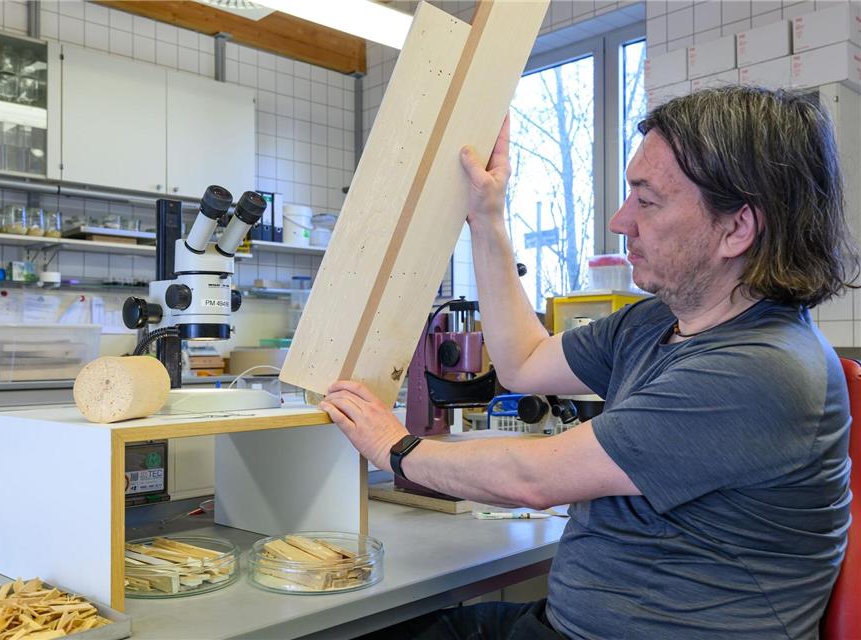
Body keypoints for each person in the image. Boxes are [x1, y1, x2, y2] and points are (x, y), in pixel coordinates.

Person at [318, 86, 858, 639]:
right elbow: (524, 362)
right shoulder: (657, 321)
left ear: (737, 228)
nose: (621, 221)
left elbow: (535, 478)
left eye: (646, 201)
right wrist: (486, 217)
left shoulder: (760, 369)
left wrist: (396, 447)